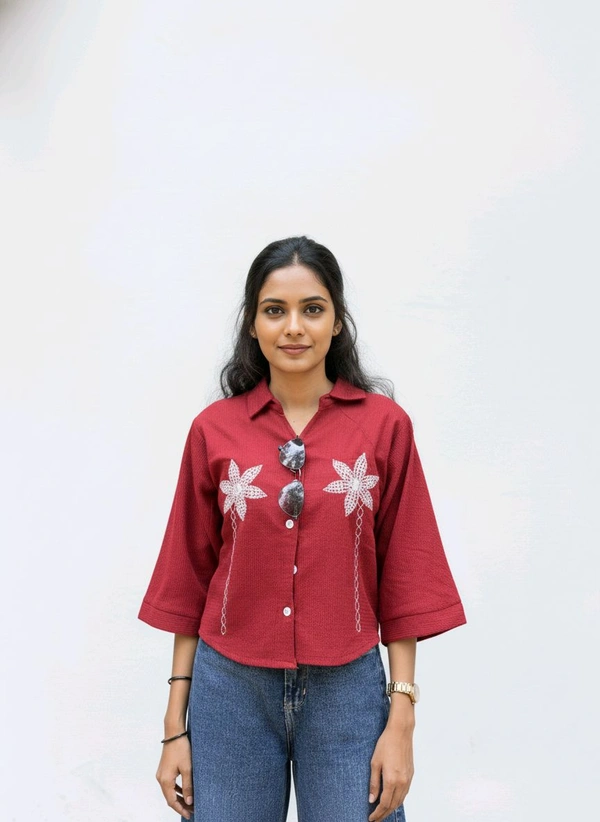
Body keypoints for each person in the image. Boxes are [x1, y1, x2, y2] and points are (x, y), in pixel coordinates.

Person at [138, 235, 467, 822]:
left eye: (312, 309)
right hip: (229, 691)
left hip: (348, 693)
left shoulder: (384, 427)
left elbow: (407, 575)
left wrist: (401, 719)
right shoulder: (214, 431)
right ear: (253, 323)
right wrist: (174, 726)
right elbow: (188, 580)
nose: (294, 327)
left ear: (337, 321)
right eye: (275, 310)